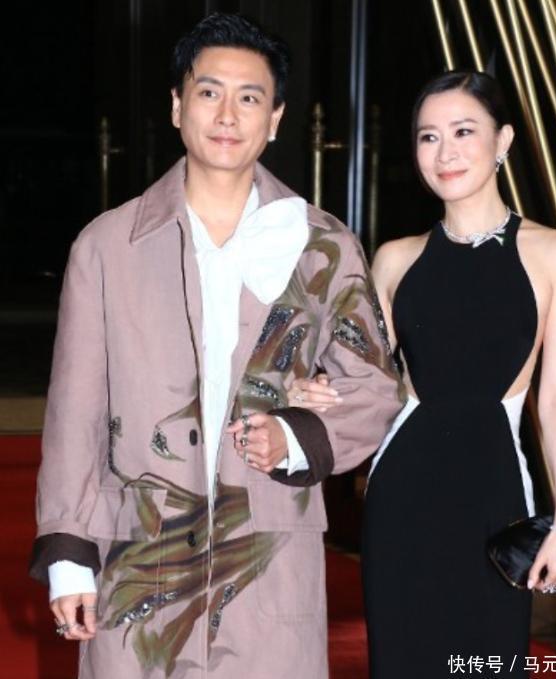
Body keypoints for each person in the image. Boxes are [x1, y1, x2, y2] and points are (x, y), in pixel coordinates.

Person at [29, 13, 404, 679]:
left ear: (276, 118)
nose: (228, 114)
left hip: (266, 559)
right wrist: (68, 553)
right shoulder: (108, 246)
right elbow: (74, 412)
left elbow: (375, 385)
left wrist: (297, 433)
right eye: (209, 92)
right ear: (178, 106)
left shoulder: (320, 245)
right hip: (139, 563)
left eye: (249, 97)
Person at [288, 70, 556, 677]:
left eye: (463, 131)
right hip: (403, 497)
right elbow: (364, 380)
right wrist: (310, 390)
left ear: (503, 140)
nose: (445, 152)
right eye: (429, 137)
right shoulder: (395, 259)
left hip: (495, 493)